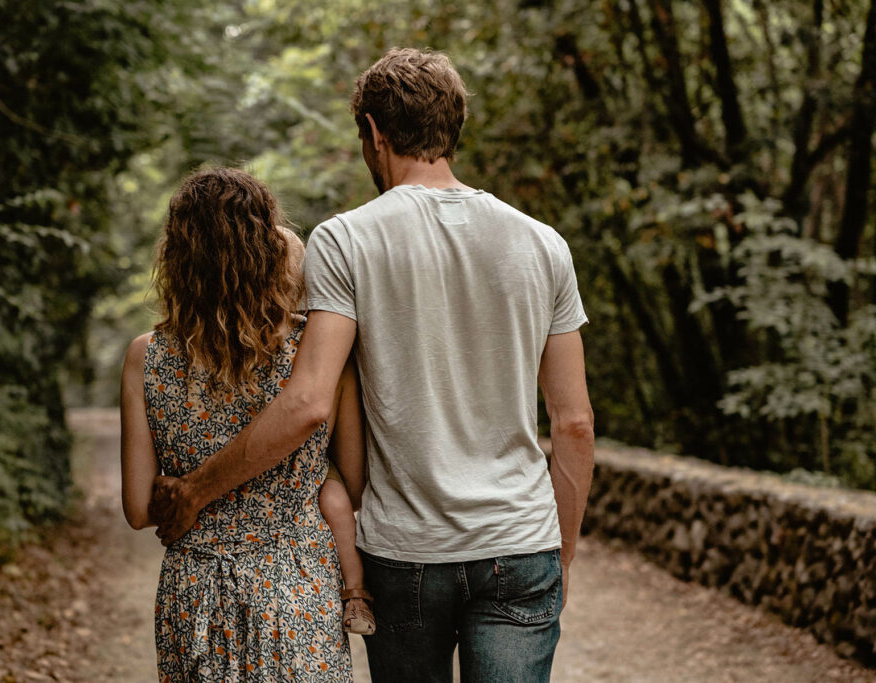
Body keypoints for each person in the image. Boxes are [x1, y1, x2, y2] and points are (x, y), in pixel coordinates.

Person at [150, 48, 596, 683]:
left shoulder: (345, 240)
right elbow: (574, 423)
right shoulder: (543, 244)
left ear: (375, 134)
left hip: (406, 551)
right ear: (452, 130)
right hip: (521, 545)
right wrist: (562, 558)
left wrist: (194, 490)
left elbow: (307, 403)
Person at [119, 167, 365, 681]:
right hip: (297, 588)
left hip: (195, 593)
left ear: (178, 258)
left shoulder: (147, 357)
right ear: (269, 249)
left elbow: (139, 509)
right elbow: (355, 481)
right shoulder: (316, 352)